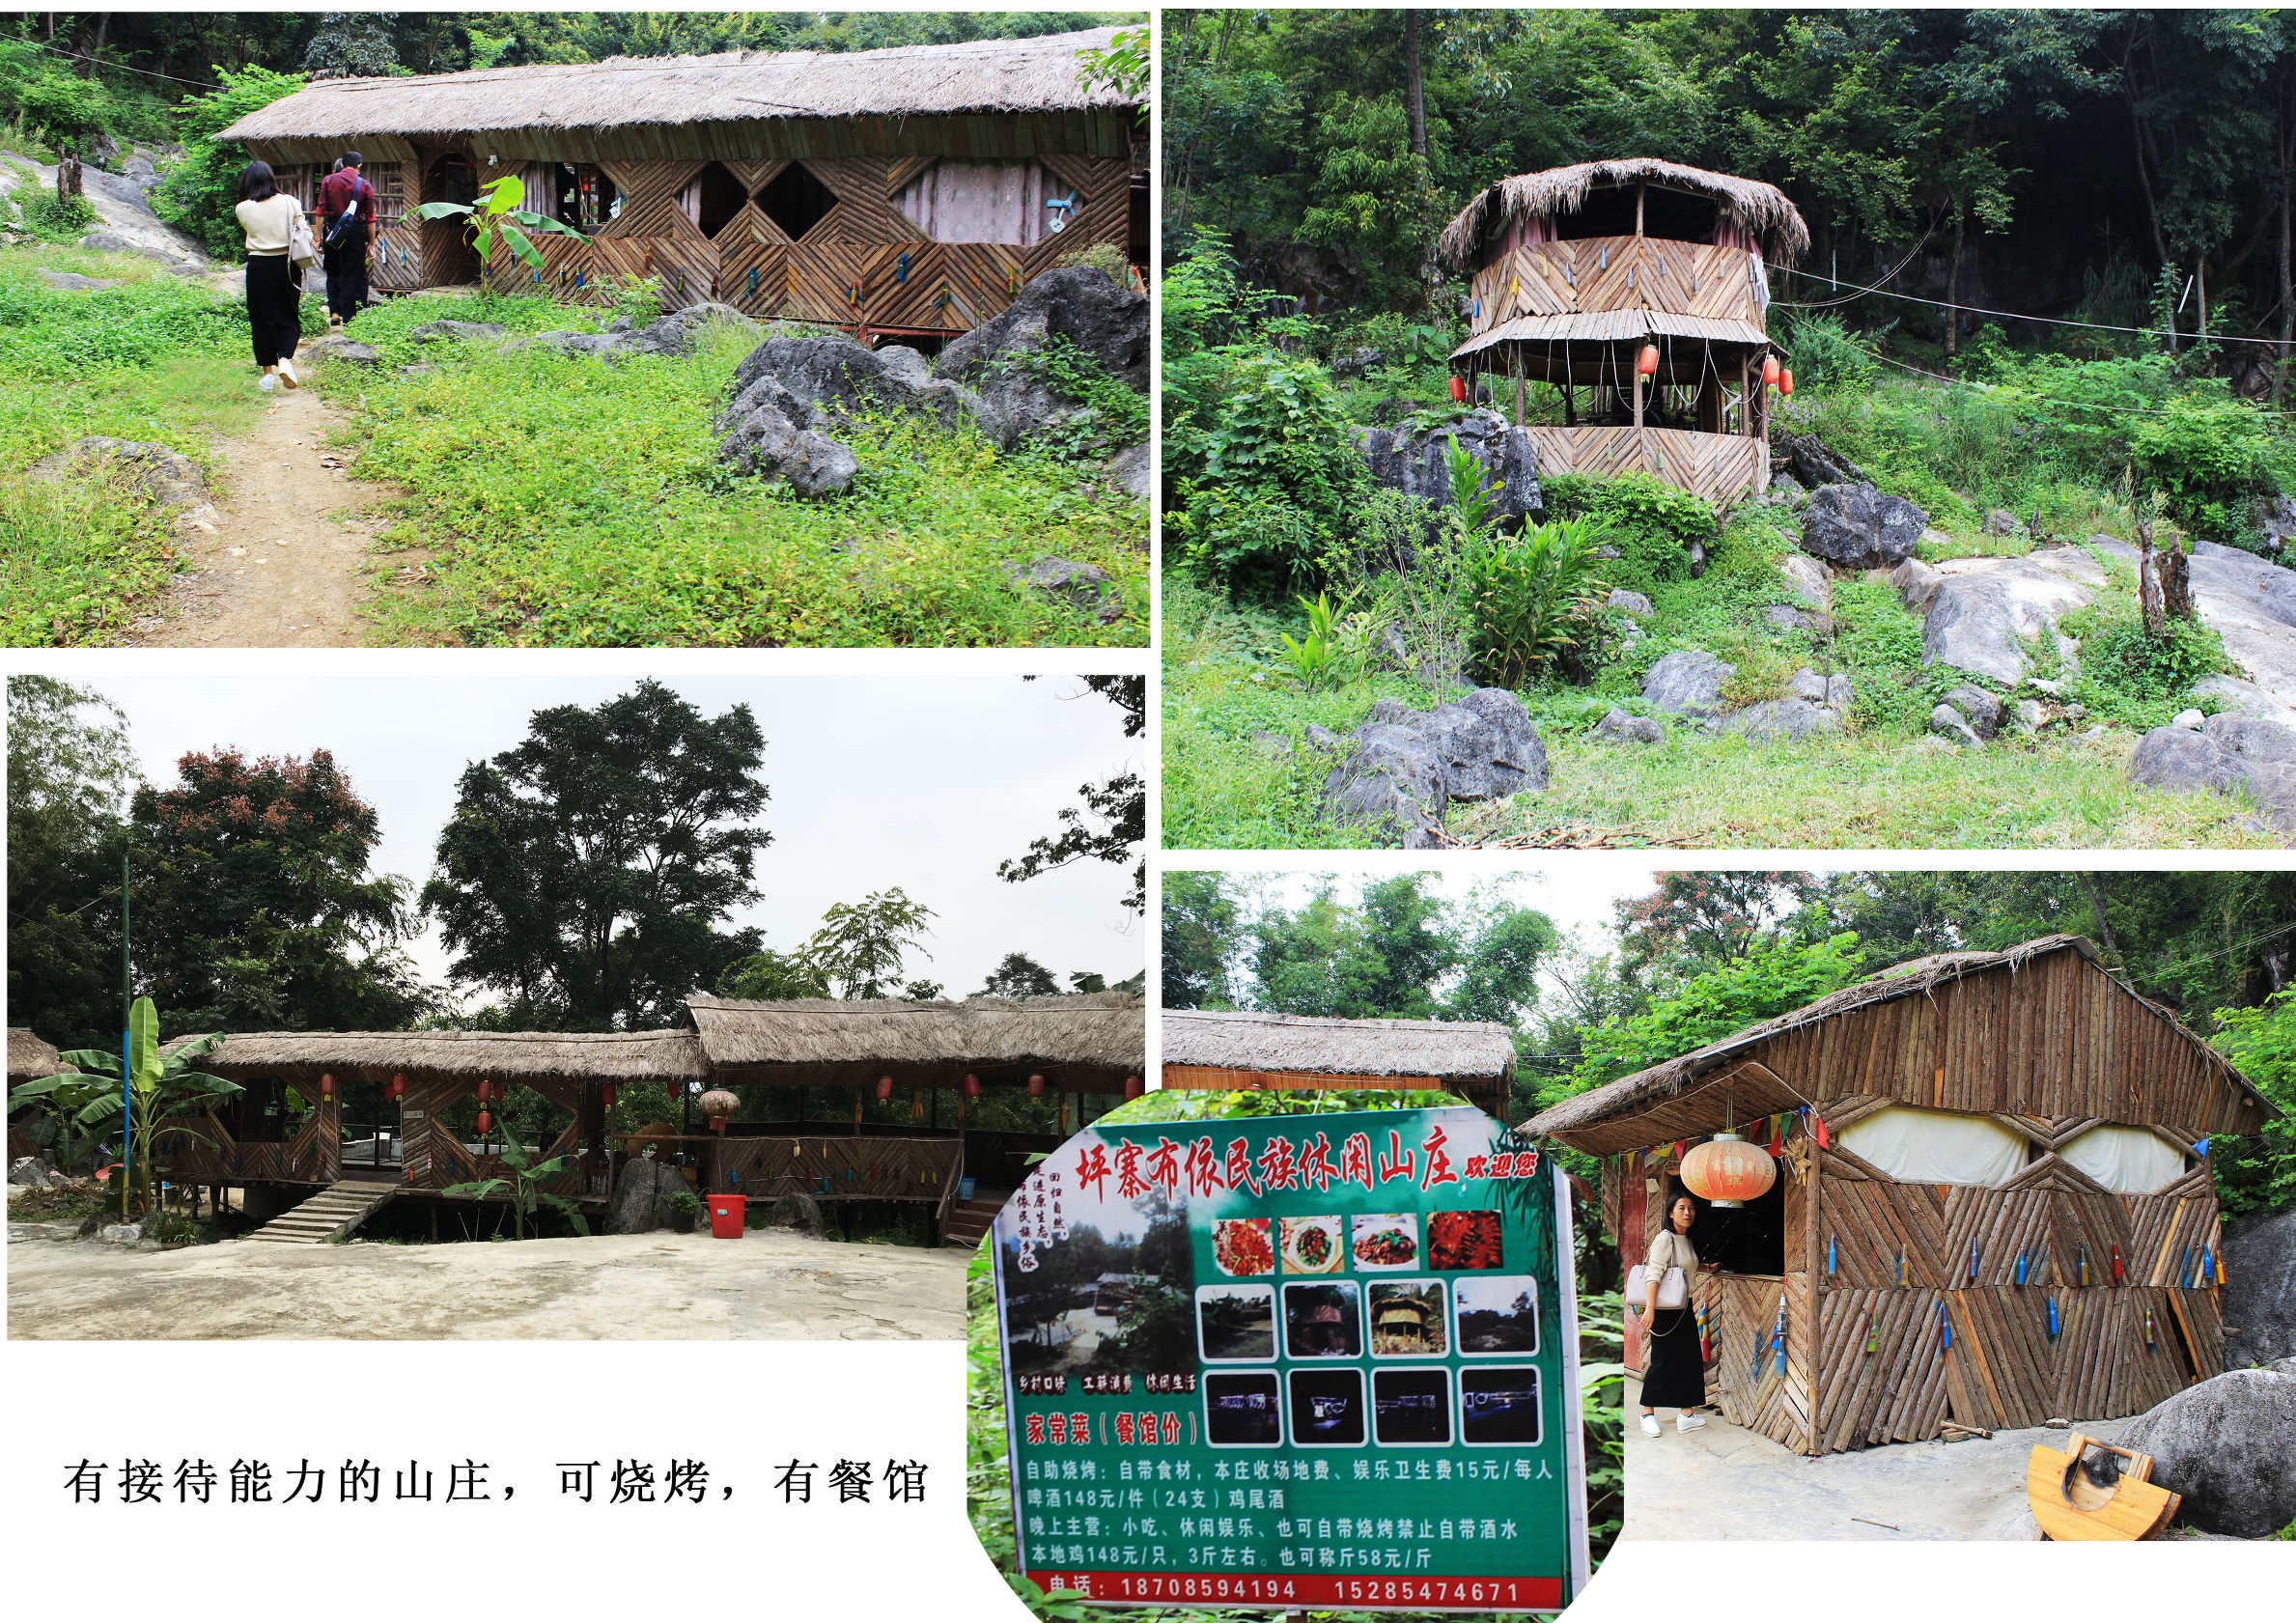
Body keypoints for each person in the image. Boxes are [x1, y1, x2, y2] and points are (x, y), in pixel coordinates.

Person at [1638, 1193, 1709, 1437]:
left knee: (1689, 1360)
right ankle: (1647, 1413)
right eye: (1681, 1208)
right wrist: (1649, 1309)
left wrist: (1707, 1267)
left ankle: (1686, 1415)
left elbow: (1684, 1268)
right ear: (1670, 1213)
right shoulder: (1664, 1238)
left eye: (1691, 1208)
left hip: (1684, 1307)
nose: (1687, 1212)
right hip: (1664, 1309)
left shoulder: (1685, 1239)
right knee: (1662, 1360)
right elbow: (1653, 1274)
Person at [233, 160, 302, 393]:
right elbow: (301, 230)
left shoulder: (242, 208)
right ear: (271, 178)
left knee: (261, 318)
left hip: (258, 265)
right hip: (286, 264)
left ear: (247, 182)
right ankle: (285, 359)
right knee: (288, 314)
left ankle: (267, 374)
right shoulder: (290, 202)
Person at [316, 149, 378, 326]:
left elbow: (320, 211)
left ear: (342, 164)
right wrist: (372, 244)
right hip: (354, 233)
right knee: (352, 273)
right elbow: (370, 218)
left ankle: (335, 313)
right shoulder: (364, 185)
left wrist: (318, 237)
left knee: (333, 271)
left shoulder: (328, 181)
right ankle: (350, 317)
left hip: (333, 230)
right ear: (359, 165)